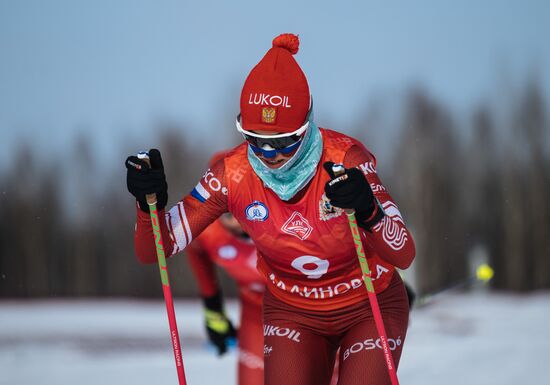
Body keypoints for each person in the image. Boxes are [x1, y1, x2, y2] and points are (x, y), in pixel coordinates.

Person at [126, 33, 415, 385]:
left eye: (283, 142)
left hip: (369, 306)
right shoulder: (232, 174)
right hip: (292, 313)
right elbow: (156, 249)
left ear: (307, 126)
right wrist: (147, 205)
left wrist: (368, 208)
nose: (270, 156)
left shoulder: (345, 160)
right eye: (256, 141)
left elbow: (404, 253)